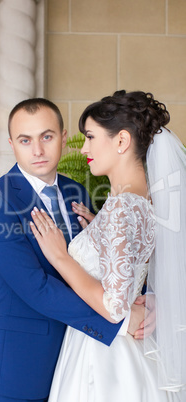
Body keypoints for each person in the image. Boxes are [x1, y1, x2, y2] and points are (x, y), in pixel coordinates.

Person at [0, 98, 151, 402]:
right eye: (25, 140)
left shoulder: (77, 191)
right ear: (11, 144)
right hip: (24, 363)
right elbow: (35, 288)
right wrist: (122, 321)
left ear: (64, 137)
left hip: (81, 360)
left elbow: (115, 260)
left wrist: (145, 300)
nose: (38, 150)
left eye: (47, 136)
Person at [30, 91, 186, 401]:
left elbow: (115, 307)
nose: (83, 147)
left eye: (90, 136)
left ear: (121, 141)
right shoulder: (147, 204)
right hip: (134, 353)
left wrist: (62, 258)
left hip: (102, 357)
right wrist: (97, 231)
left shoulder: (121, 209)